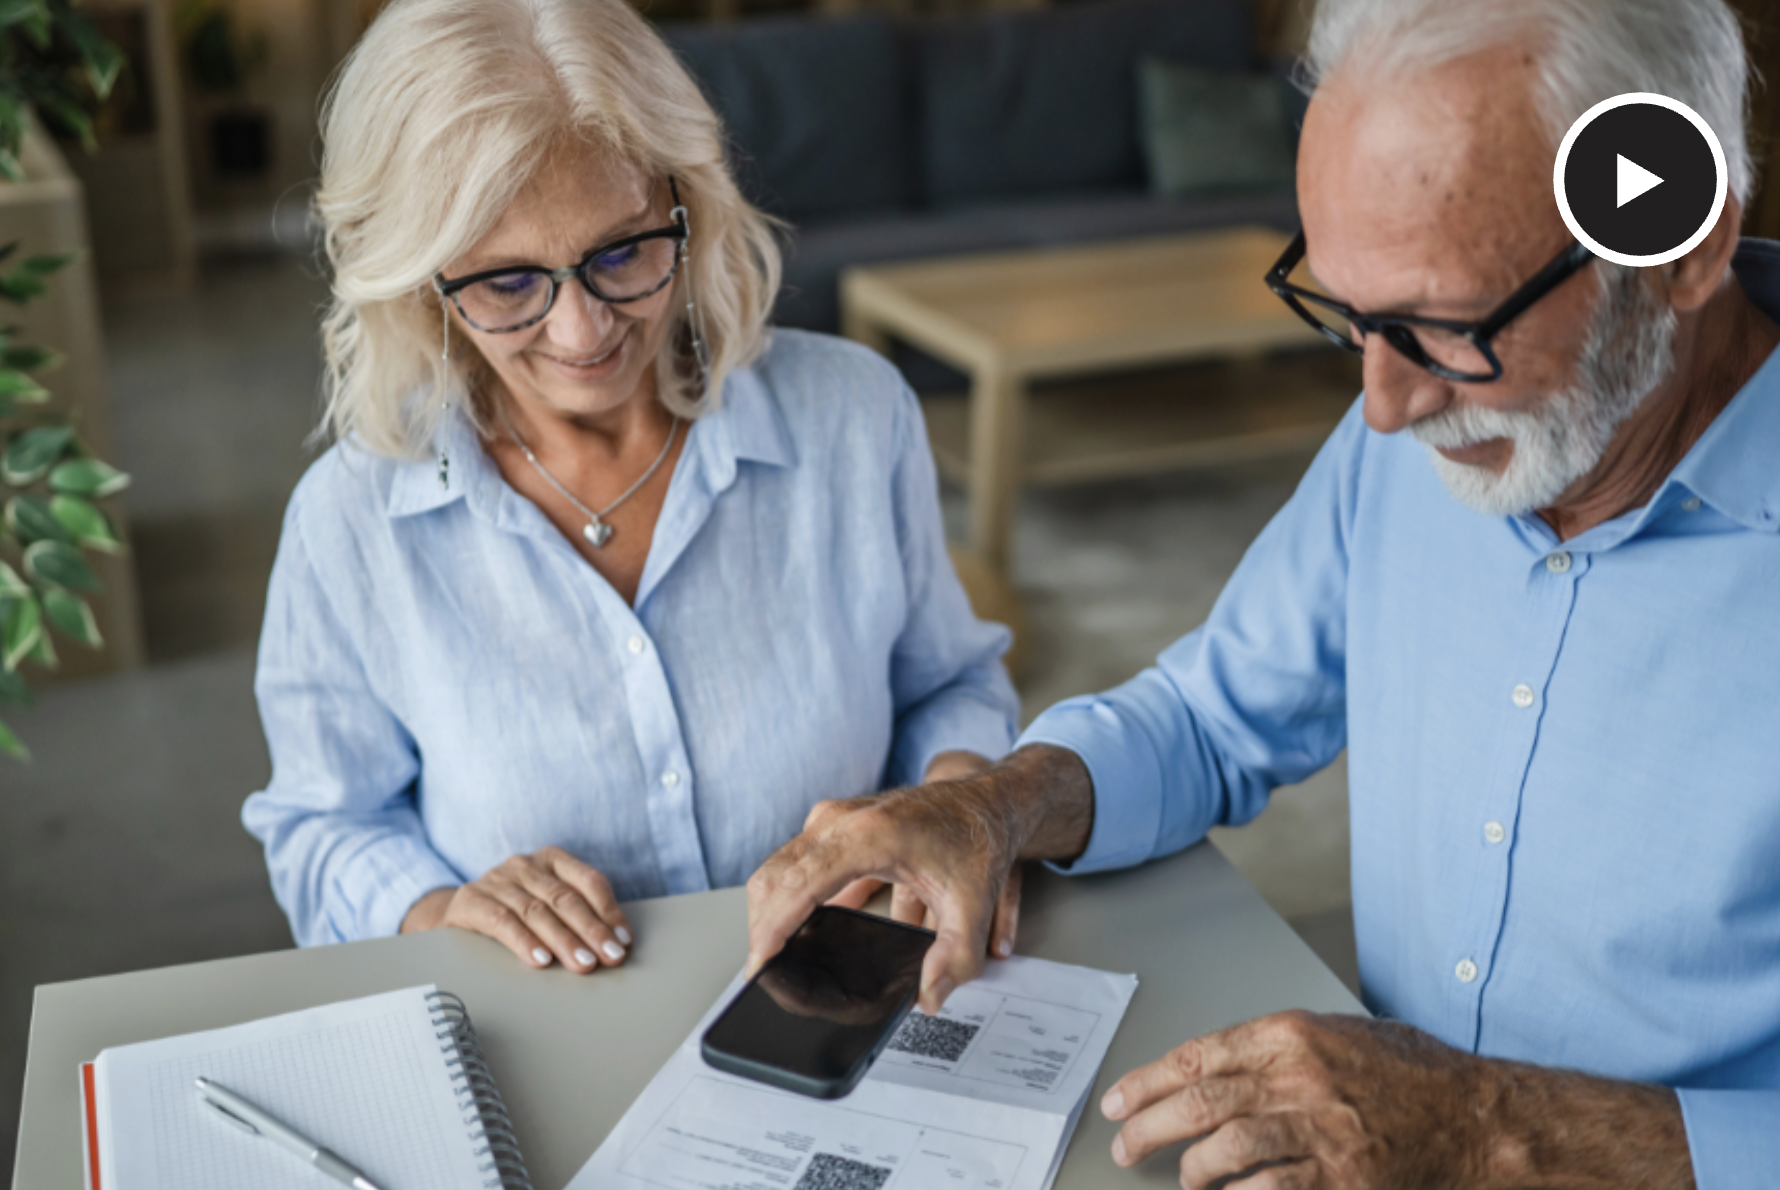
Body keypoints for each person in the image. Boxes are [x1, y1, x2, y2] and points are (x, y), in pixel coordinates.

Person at [748, 1, 1780, 1186]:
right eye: (1350, 314)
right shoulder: (1410, 437)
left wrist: (1490, 1126)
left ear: (1676, 249)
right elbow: (1212, 713)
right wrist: (994, 804)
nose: (1384, 407)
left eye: (1447, 329)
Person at [242, 0, 1017, 975]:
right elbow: (321, 824)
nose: (582, 333)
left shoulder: (853, 418)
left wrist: (954, 802)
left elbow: (948, 683)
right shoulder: (349, 520)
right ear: (417, 282)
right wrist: (438, 906)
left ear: (685, 205)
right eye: (508, 283)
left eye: (622, 253)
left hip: (847, 1007)